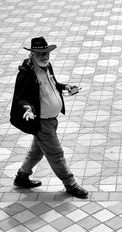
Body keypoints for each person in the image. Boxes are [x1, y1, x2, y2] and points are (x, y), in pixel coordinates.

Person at [10, 36, 88, 199]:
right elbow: (19, 98)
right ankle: (70, 184)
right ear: (32, 54)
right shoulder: (26, 74)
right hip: (42, 122)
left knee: (37, 152)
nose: (44, 56)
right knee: (56, 153)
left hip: (51, 121)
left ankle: (22, 177)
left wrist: (67, 87)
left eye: (46, 53)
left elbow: (53, 85)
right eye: (40, 54)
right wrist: (28, 108)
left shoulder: (47, 66)